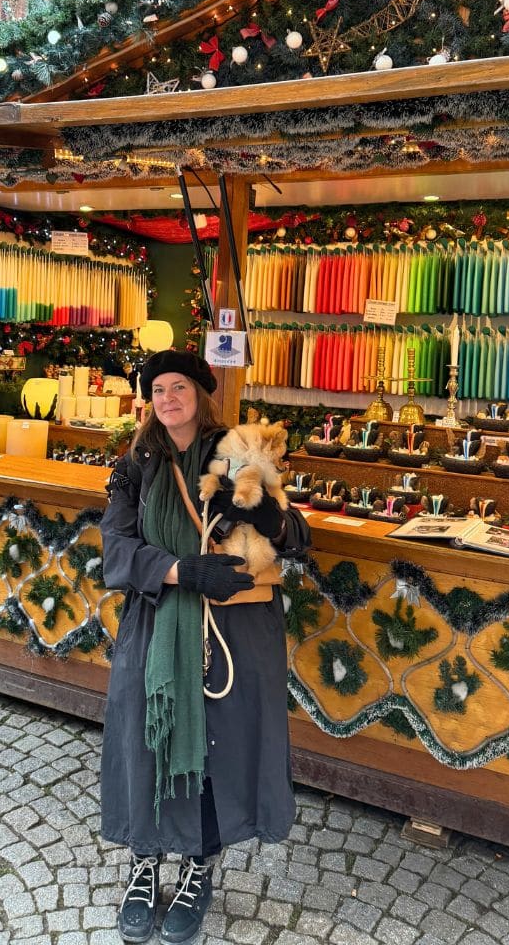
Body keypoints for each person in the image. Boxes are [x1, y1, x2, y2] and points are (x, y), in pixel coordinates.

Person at [99, 349, 310, 944]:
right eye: (157, 389)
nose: (167, 398)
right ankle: (146, 863)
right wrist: (184, 574)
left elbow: (297, 538)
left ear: (200, 391)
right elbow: (115, 552)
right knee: (149, 737)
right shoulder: (136, 466)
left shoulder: (239, 451)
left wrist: (271, 516)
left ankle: (199, 866)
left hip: (233, 632)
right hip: (160, 624)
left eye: (178, 387)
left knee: (220, 747)